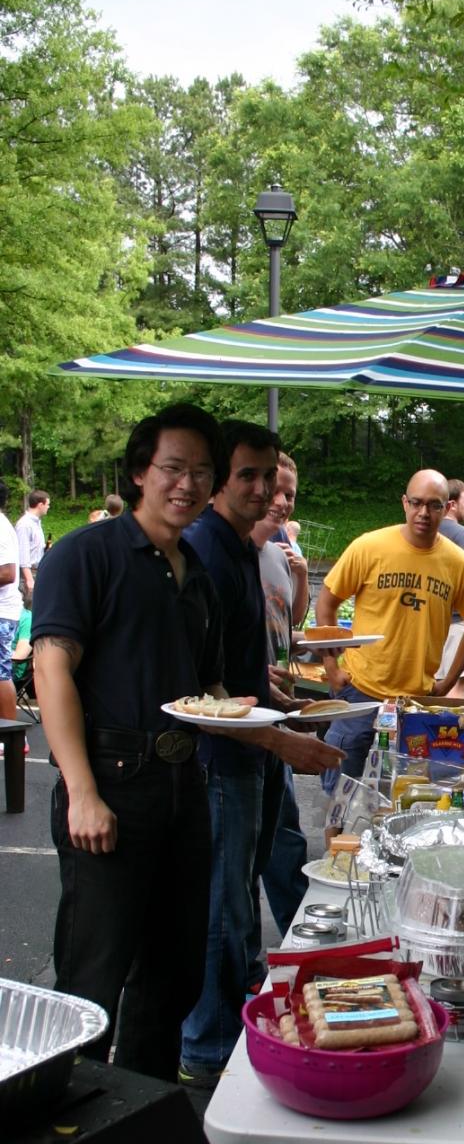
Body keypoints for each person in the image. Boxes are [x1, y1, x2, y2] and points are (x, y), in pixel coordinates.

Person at [31, 403, 229, 1082]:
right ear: (141, 472)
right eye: (174, 467)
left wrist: (282, 735)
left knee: (172, 976)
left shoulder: (193, 570)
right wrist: (82, 792)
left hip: (184, 790)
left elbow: (209, 693)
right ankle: (66, 1114)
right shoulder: (89, 554)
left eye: (203, 472)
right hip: (111, 781)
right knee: (93, 977)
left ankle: (142, 1110)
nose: (188, 484)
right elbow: (51, 666)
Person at [179, 421, 343, 1088]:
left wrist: (270, 688)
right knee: (225, 902)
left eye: (268, 476)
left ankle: (237, 1019)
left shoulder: (245, 550)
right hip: (220, 757)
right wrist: (280, 738)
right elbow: (196, 684)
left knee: (242, 896)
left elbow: (231, 661)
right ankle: (211, 1047)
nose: (262, 488)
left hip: (251, 745)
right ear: (221, 478)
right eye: (246, 474)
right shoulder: (206, 550)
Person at [315, 469, 464, 781]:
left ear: (447, 508)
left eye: (434, 505)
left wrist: (448, 681)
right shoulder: (369, 547)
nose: (423, 513)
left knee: (407, 791)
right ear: (404, 503)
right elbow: (327, 603)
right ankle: (335, 834)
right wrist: (331, 665)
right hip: (359, 690)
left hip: (415, 702)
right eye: (416, 503)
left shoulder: (458, 563)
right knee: (341, 790)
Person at [250, 451, 311, 936]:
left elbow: (291, 628)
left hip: (275, 716)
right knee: (239, 856)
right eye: (274, 490)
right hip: (237, 728)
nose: (282, 501)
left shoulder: (276, 553)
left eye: (289, 493)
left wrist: (300, 576)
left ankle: (301, 935)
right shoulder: (222, 553)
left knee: (284, 836)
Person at [435, 479, 464, 698]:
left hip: (431, 620)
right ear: (452, 504)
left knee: (432, 684)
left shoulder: (426, 531)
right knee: (455, 687)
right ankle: (446, 732)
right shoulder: (462, 534)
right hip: (456, 621)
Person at [0, 480, 23, 722]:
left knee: (0, 673)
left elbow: (7, 573)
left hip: (2, 613)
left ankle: (10, 734)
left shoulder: (0, 526)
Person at [15, 489, 49, 595]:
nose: (48, 507)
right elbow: (23, 554)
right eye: (47, 504)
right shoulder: (24, 525)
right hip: (29, 575)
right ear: (40, 505)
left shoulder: (36, 523)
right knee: (31, 609)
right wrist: (29, 580)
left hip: (38, 571)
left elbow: (34, 548)